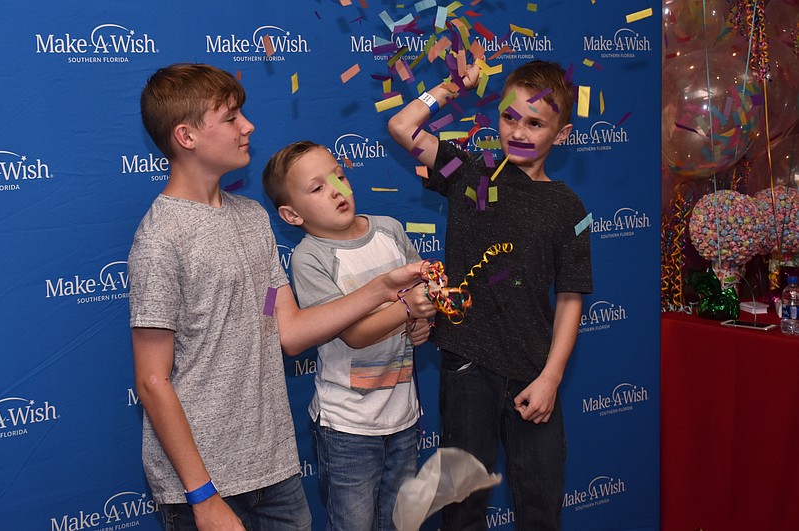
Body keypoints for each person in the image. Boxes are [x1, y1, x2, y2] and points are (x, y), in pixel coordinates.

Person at [128, 63, 433, 531]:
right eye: (230, 118)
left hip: (275, 467)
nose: (248, 126)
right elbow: (152, 380)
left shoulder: (251, 217)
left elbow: (289, 331)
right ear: (186, 137)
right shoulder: (160, 237)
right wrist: (202, 496)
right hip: (206, 484)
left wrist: (380, 290)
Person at [387, 59, 593, 530]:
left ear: (561, 134)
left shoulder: (569, 207)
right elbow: (401, 125)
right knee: (462, 509)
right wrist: (449, 86)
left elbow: (570, 296)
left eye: (536, 123)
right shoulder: (469, 171)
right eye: (509, 117)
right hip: (466, 365)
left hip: (533, 372)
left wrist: (551, 379)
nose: (519, 131)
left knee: (541, 504)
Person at [262, 140, 433, 531]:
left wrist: (421, 320)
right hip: (348, 429)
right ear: (291, 214)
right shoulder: (310, 258)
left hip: (404, 417)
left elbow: (417, 297)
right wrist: (407, 309)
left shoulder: (389, 229)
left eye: (339, 176)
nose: (338, 189)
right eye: (318, 188)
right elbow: (354, 334)